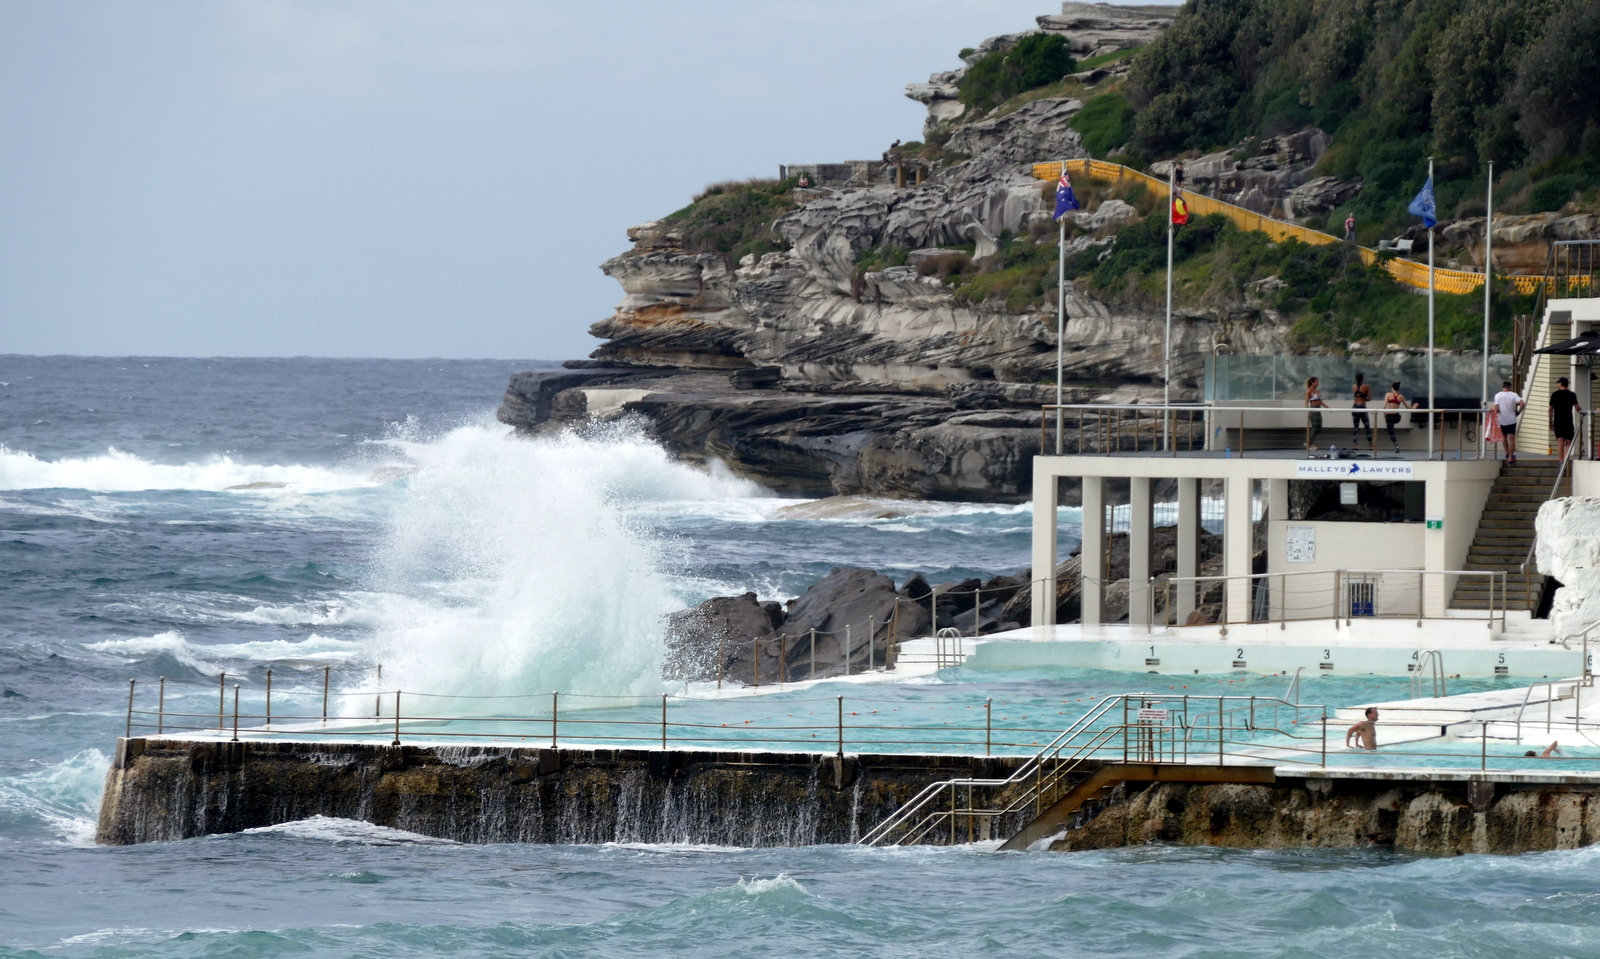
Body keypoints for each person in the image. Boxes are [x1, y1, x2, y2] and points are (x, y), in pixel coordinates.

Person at [1550, 376, 1583, 462]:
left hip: (1558, 421)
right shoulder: (1572, 395)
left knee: (1560, 443)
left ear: (1561, 383)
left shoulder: (1554, 395)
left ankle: (1561, 463)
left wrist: (1550, 421)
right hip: (1568, 421)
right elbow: (1577, 408)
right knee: (1568, 443)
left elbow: (1550, 409)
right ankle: (1565, 462)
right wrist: (1583, 411)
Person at [1492, 380, 1525, 464]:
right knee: (1512, 439)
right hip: (1511, 419)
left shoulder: (1497, 395)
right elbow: (1522, 404)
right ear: (1510, 387)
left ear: (1502, 387)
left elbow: (1497, 408)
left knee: (1504, 437)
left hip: (1502, 419)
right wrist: (1518, 412)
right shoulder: (1513, 395)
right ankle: (1511, 457)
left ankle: (1507, 452)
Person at [1384, 381, 1410, 453]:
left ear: (1392, 388)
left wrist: (1384, 416)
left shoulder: (1388, 395)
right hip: (1397, 417)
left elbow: (1384, 406)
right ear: (1398, 388)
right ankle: (1396, 445)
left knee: (1391, 432)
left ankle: (1396, 445)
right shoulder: (1401, 396)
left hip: (1389, 416)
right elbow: (1408, 407)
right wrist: (1414, 407)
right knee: (1392, 426)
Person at [1350, 373, 1373, 453]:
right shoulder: (1366, 387)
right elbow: (1369, 398)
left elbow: (1355, 396)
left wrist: (1359, 397)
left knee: (1356, 427)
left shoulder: (1354, 387)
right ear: (1362, 379)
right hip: (1362, 407)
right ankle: (1371, 446)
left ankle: (1354, 445)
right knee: (1367, 427)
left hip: (1355, 407)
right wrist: (1364, 399)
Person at [1305, 377, 1328, 450]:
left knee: (1319, 427)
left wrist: (1328, 407)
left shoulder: (1318, 391)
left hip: (1318, 408)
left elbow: (1320, 401)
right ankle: (1309, 443)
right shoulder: (1309, 391)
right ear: (1312, 382)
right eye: (1316, 382)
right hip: (1313, 408)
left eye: (1318, 382)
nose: (1318, 383)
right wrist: (1309, 411)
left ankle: (1310, 442)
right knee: (1315, 427)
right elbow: (1306, 402)